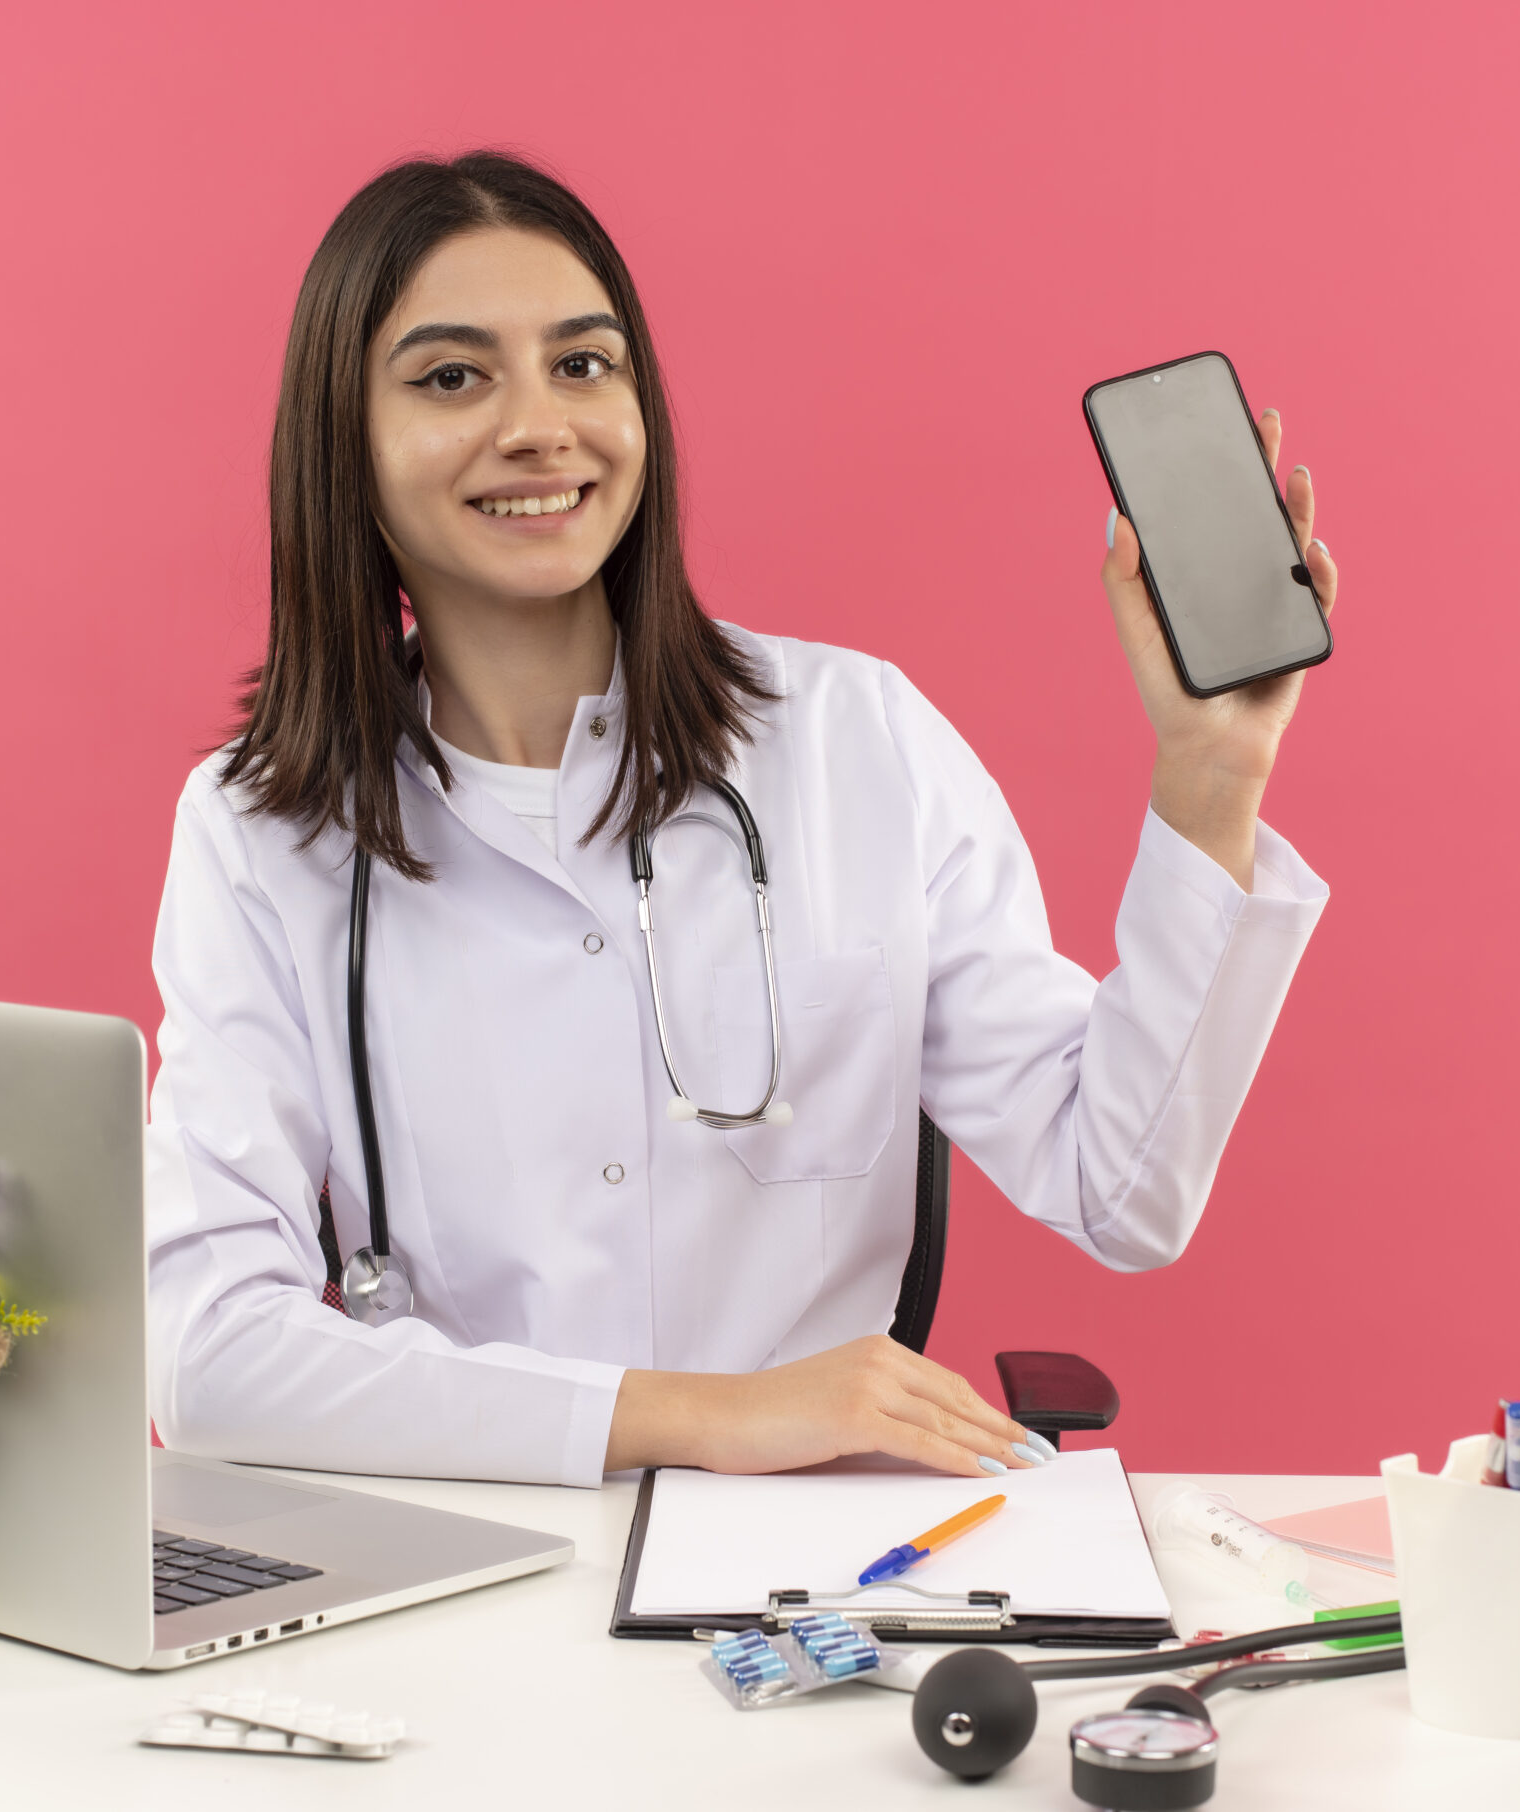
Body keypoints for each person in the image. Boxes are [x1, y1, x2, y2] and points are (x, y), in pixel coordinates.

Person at [144, 152, 1341, 1488]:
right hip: (472, 1563)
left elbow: (1122, 1188)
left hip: (815, 1570)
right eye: (451, 377)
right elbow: (206, 1356)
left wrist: (1212, 775)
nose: (541, 426)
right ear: (342, 445)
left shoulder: (856, 743)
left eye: (584, 365)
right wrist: (704, 1417)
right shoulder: (262, 835)